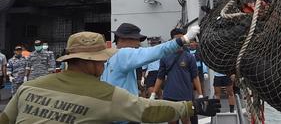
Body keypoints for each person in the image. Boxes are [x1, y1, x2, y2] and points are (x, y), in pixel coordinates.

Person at [0, 31, 221, 123]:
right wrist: (192, 108)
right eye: (101, 60)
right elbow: (147, 110)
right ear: (93, 62)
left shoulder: (28, 88)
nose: (104, 64)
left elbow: (6, 120)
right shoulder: (104, 96)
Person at [101, 22, 200, 97]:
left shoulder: (109, 58)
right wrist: (184, 39)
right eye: (136, 39)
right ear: (122, 39)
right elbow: (156, 51)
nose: (138, 44)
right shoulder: (124, 54)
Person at [151, 28, 204, 124]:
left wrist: (200, 94)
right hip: (169, 95)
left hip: (186, 95)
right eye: (177, 39)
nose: (180, 42)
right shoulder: (165, 57)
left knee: (186, 120)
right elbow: (160, 77)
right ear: (172, 40)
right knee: (172, 121)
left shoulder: (189, 57)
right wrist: (153, 93)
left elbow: (195, 77)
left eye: (182, 39)